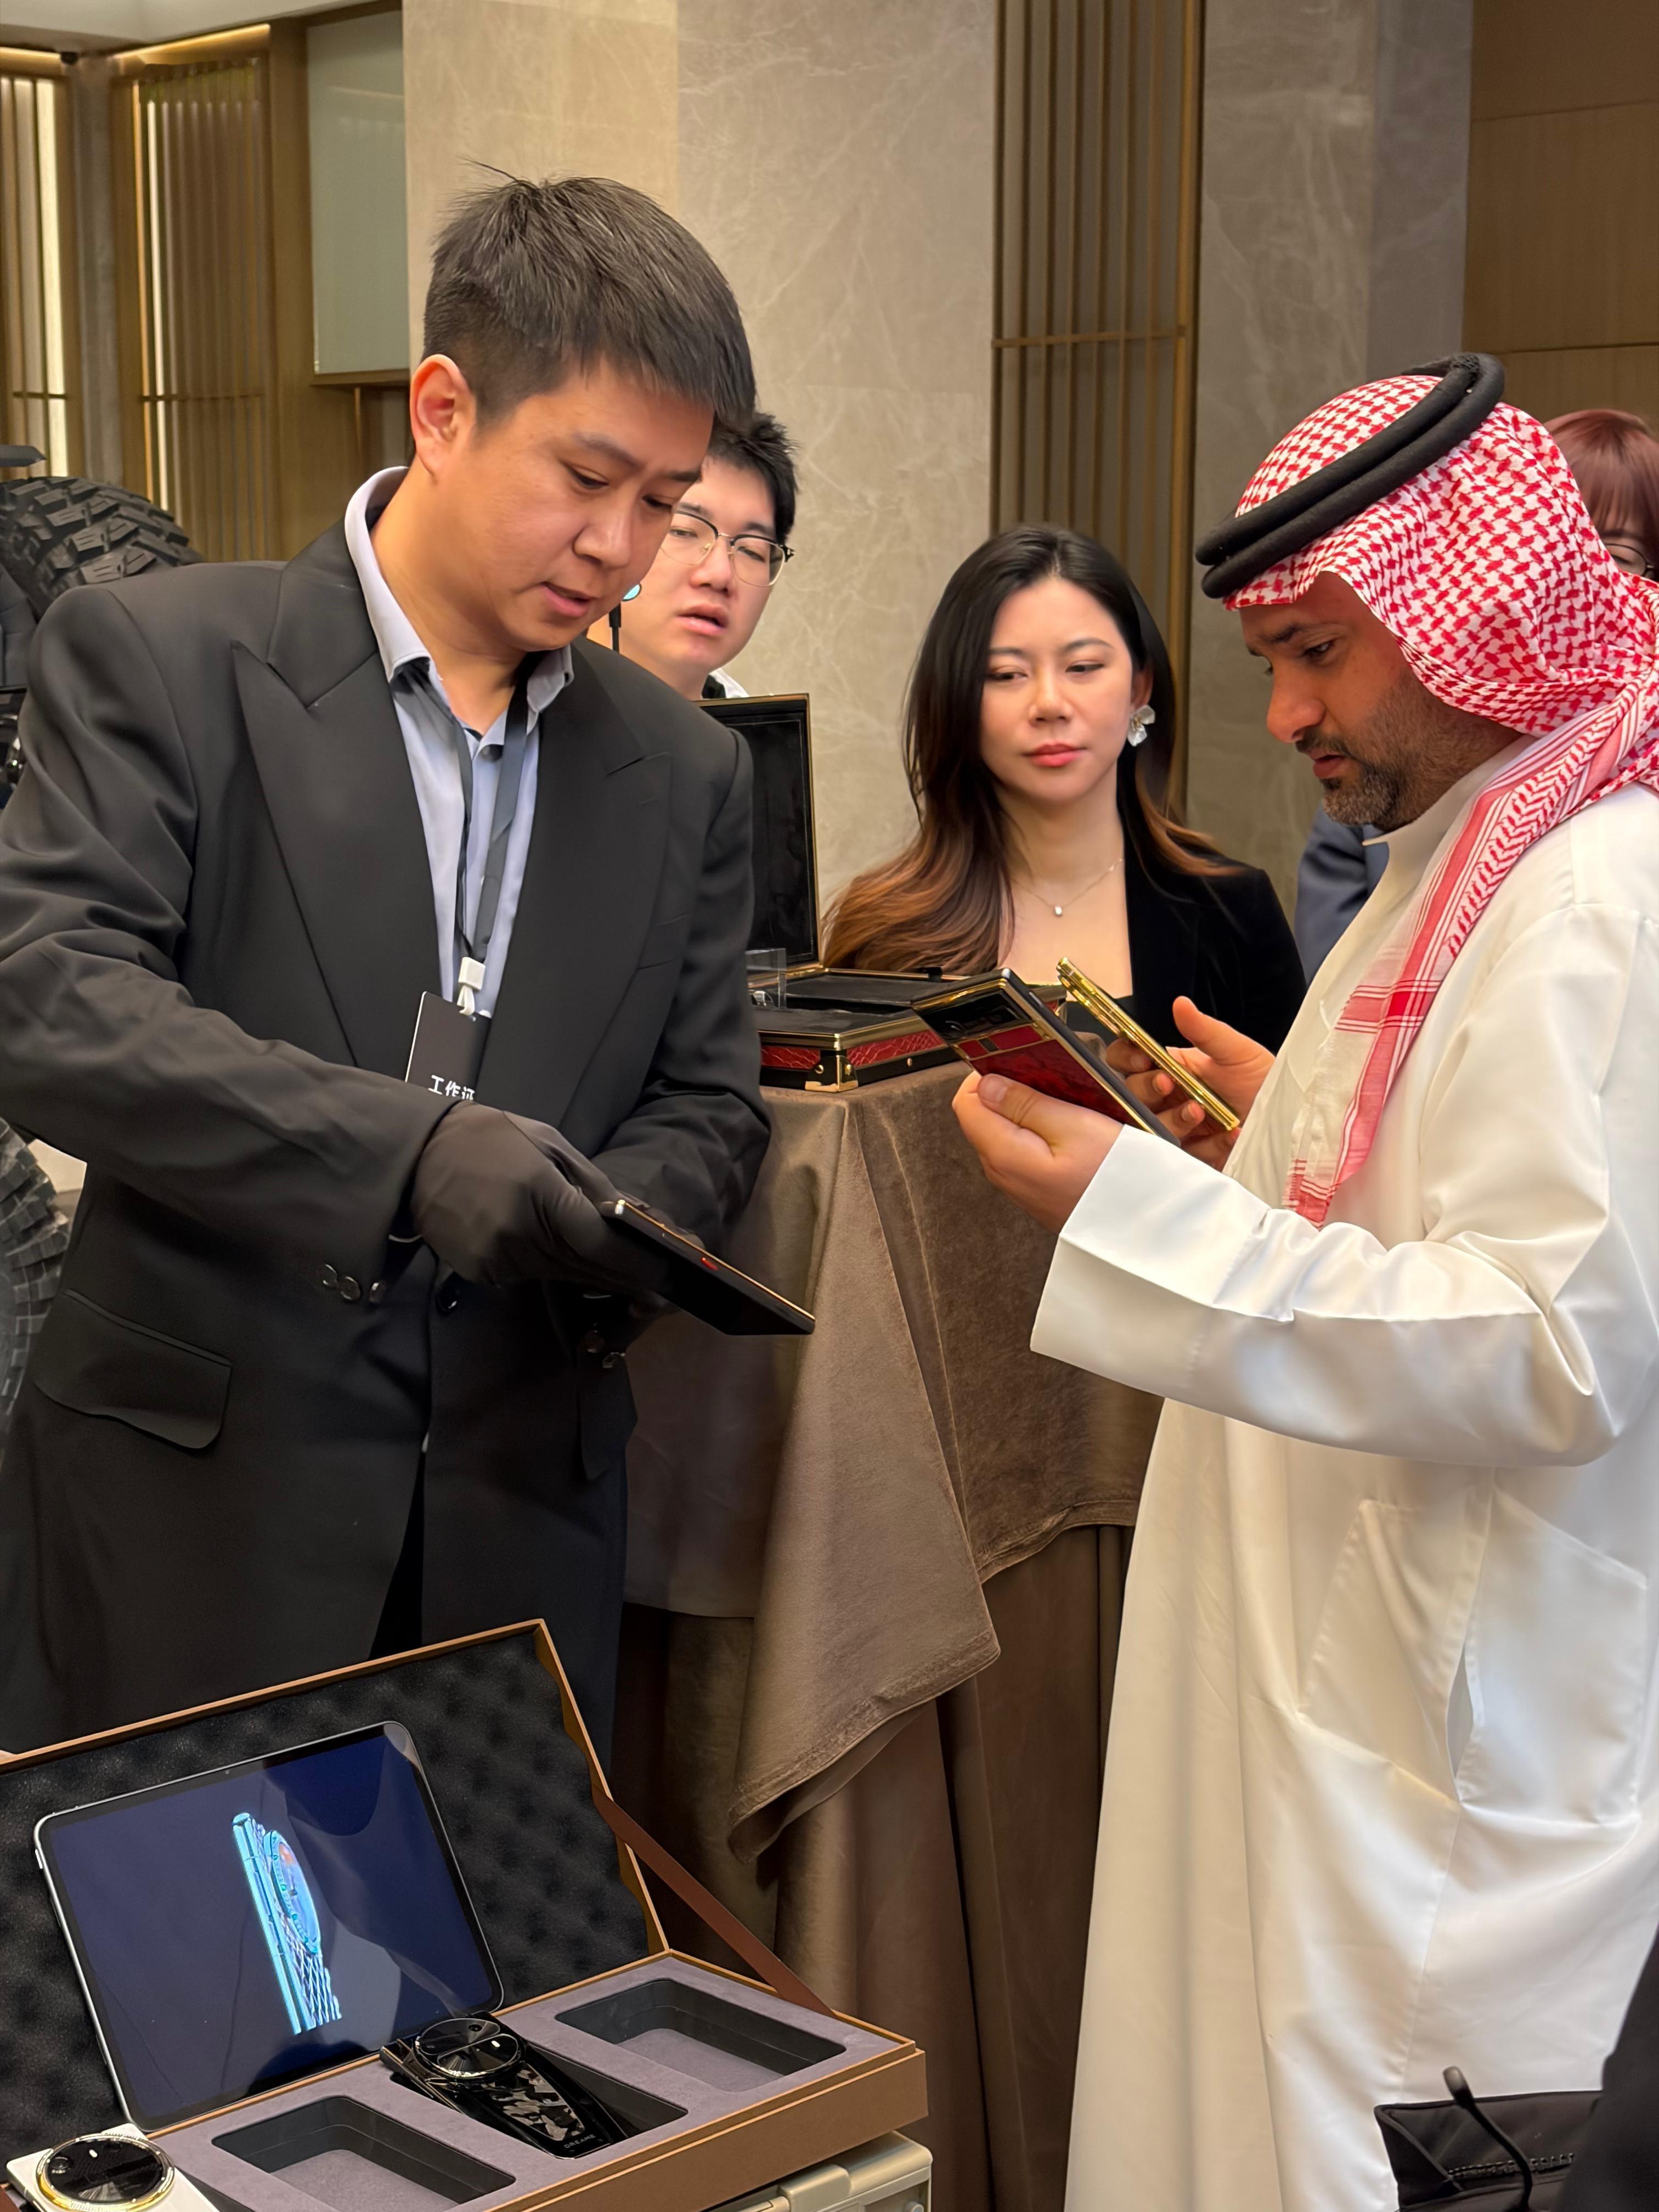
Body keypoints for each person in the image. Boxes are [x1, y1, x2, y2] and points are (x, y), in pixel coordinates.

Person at [951, 358, 1659, 2210]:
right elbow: (1442, 1200)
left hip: (1435, 1772)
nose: (1281, 715)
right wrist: (1267, 1146)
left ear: (1477, 610)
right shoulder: (1470, 851)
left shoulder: (1595, 893)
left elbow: (1552, 1343)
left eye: (1317, 653)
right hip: (1326, 1703)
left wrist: (1149, 1217)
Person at [0, 175, 770, 1760]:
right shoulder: (163, 659)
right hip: (197, 1515)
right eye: (587, 479)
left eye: (666, 501)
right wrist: (408, 1154)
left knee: (502, 1919)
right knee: (188, 1924)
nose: (621, 549)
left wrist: (616, 1220)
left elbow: (712, 1100)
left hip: (519, 1515)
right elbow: (49, 1000)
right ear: (441, 409)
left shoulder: (684, 770)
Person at [822, 526, 1306, 1049]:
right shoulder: (884, 933)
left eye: (1083, 667)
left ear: (1139, 687)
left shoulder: (1234, 912)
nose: (1049, 704)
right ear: (958, 700)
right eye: (1006, 675)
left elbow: (1288, 1103)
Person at [1292, 403, 1659, 978]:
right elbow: (1334, 988)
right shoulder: (1398, 752)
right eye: (1547, 549)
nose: (1572, 581)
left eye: (1611, 556)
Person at [590, 412, 796, 699]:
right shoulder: (527, 704)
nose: (720, 575)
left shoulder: (759, 727)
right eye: (684, 532)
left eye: (752, 551)